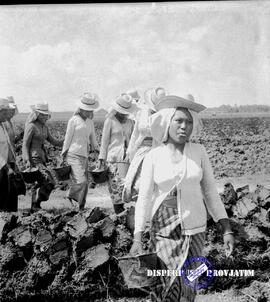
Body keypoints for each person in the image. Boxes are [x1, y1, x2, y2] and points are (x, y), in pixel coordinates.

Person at [130, 95, 234, 302]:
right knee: (164, 282)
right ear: (167, 123)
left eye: (188, 122)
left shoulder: (199, 152)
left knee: (189, 283)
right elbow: (144, 198)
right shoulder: (153, 156)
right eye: (179, 121)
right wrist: (137, 236)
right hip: (163, 230)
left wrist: (226, 229)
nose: (184, 126)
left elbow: (211, 193)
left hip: (196, 229)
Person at [122, 87, 168, 203]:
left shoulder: (165, 115)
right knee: (136, 182)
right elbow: (135, 133)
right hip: (141, 149)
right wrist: (130, 150)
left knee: (154, 182)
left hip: (158, 151)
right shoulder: (141, 113)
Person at [98, 93, 137, 214]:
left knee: (126, 186)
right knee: (115, 190)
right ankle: (119, 214)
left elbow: (133, 140)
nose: (123, 113)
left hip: (126, 159)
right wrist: (101, 159)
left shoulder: (130, 122)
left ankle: (125, 213)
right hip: (113, 159)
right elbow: (104, 142)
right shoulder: (110, 120)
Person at [61, 92, 100, 210]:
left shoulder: (90, 122)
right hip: (73, 155)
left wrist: (98, 151)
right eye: (87, 110)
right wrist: (63, 153)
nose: (89, 112)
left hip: (84, 156)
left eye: (91, 110)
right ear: (81, 109)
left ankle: (81, 207)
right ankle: (70, 195)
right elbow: (67, 138)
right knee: (81, 181)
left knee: (85, 184)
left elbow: (93, 139)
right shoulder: (73, 120)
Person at [22, 102, 63, 212]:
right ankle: (36, 204)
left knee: (48, 183)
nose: (46, 117)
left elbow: (53, 141)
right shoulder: (31, 126)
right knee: (48, 181)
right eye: (43, 115)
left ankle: (36, 203)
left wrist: (66, 141)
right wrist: (26, 160)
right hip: (34, 159)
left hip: (42, 158)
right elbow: (25, 144)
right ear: (38, 114)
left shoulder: (44, 127)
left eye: (46, 115)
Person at [3, 97, 20, 211]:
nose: (13, 112)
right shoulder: (4, 124)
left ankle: (12, 212)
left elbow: (11, 141)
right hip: (5, 160)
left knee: (12, 188)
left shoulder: (9, 123)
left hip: (11, 158)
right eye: (11, 110)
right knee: (8, 188)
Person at [0, 98, 13, 211]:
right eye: (4, 113)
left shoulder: (3, 126)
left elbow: (7, 146)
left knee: (4, 194)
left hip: (3, 166)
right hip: (1, 166)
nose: (6, 115)